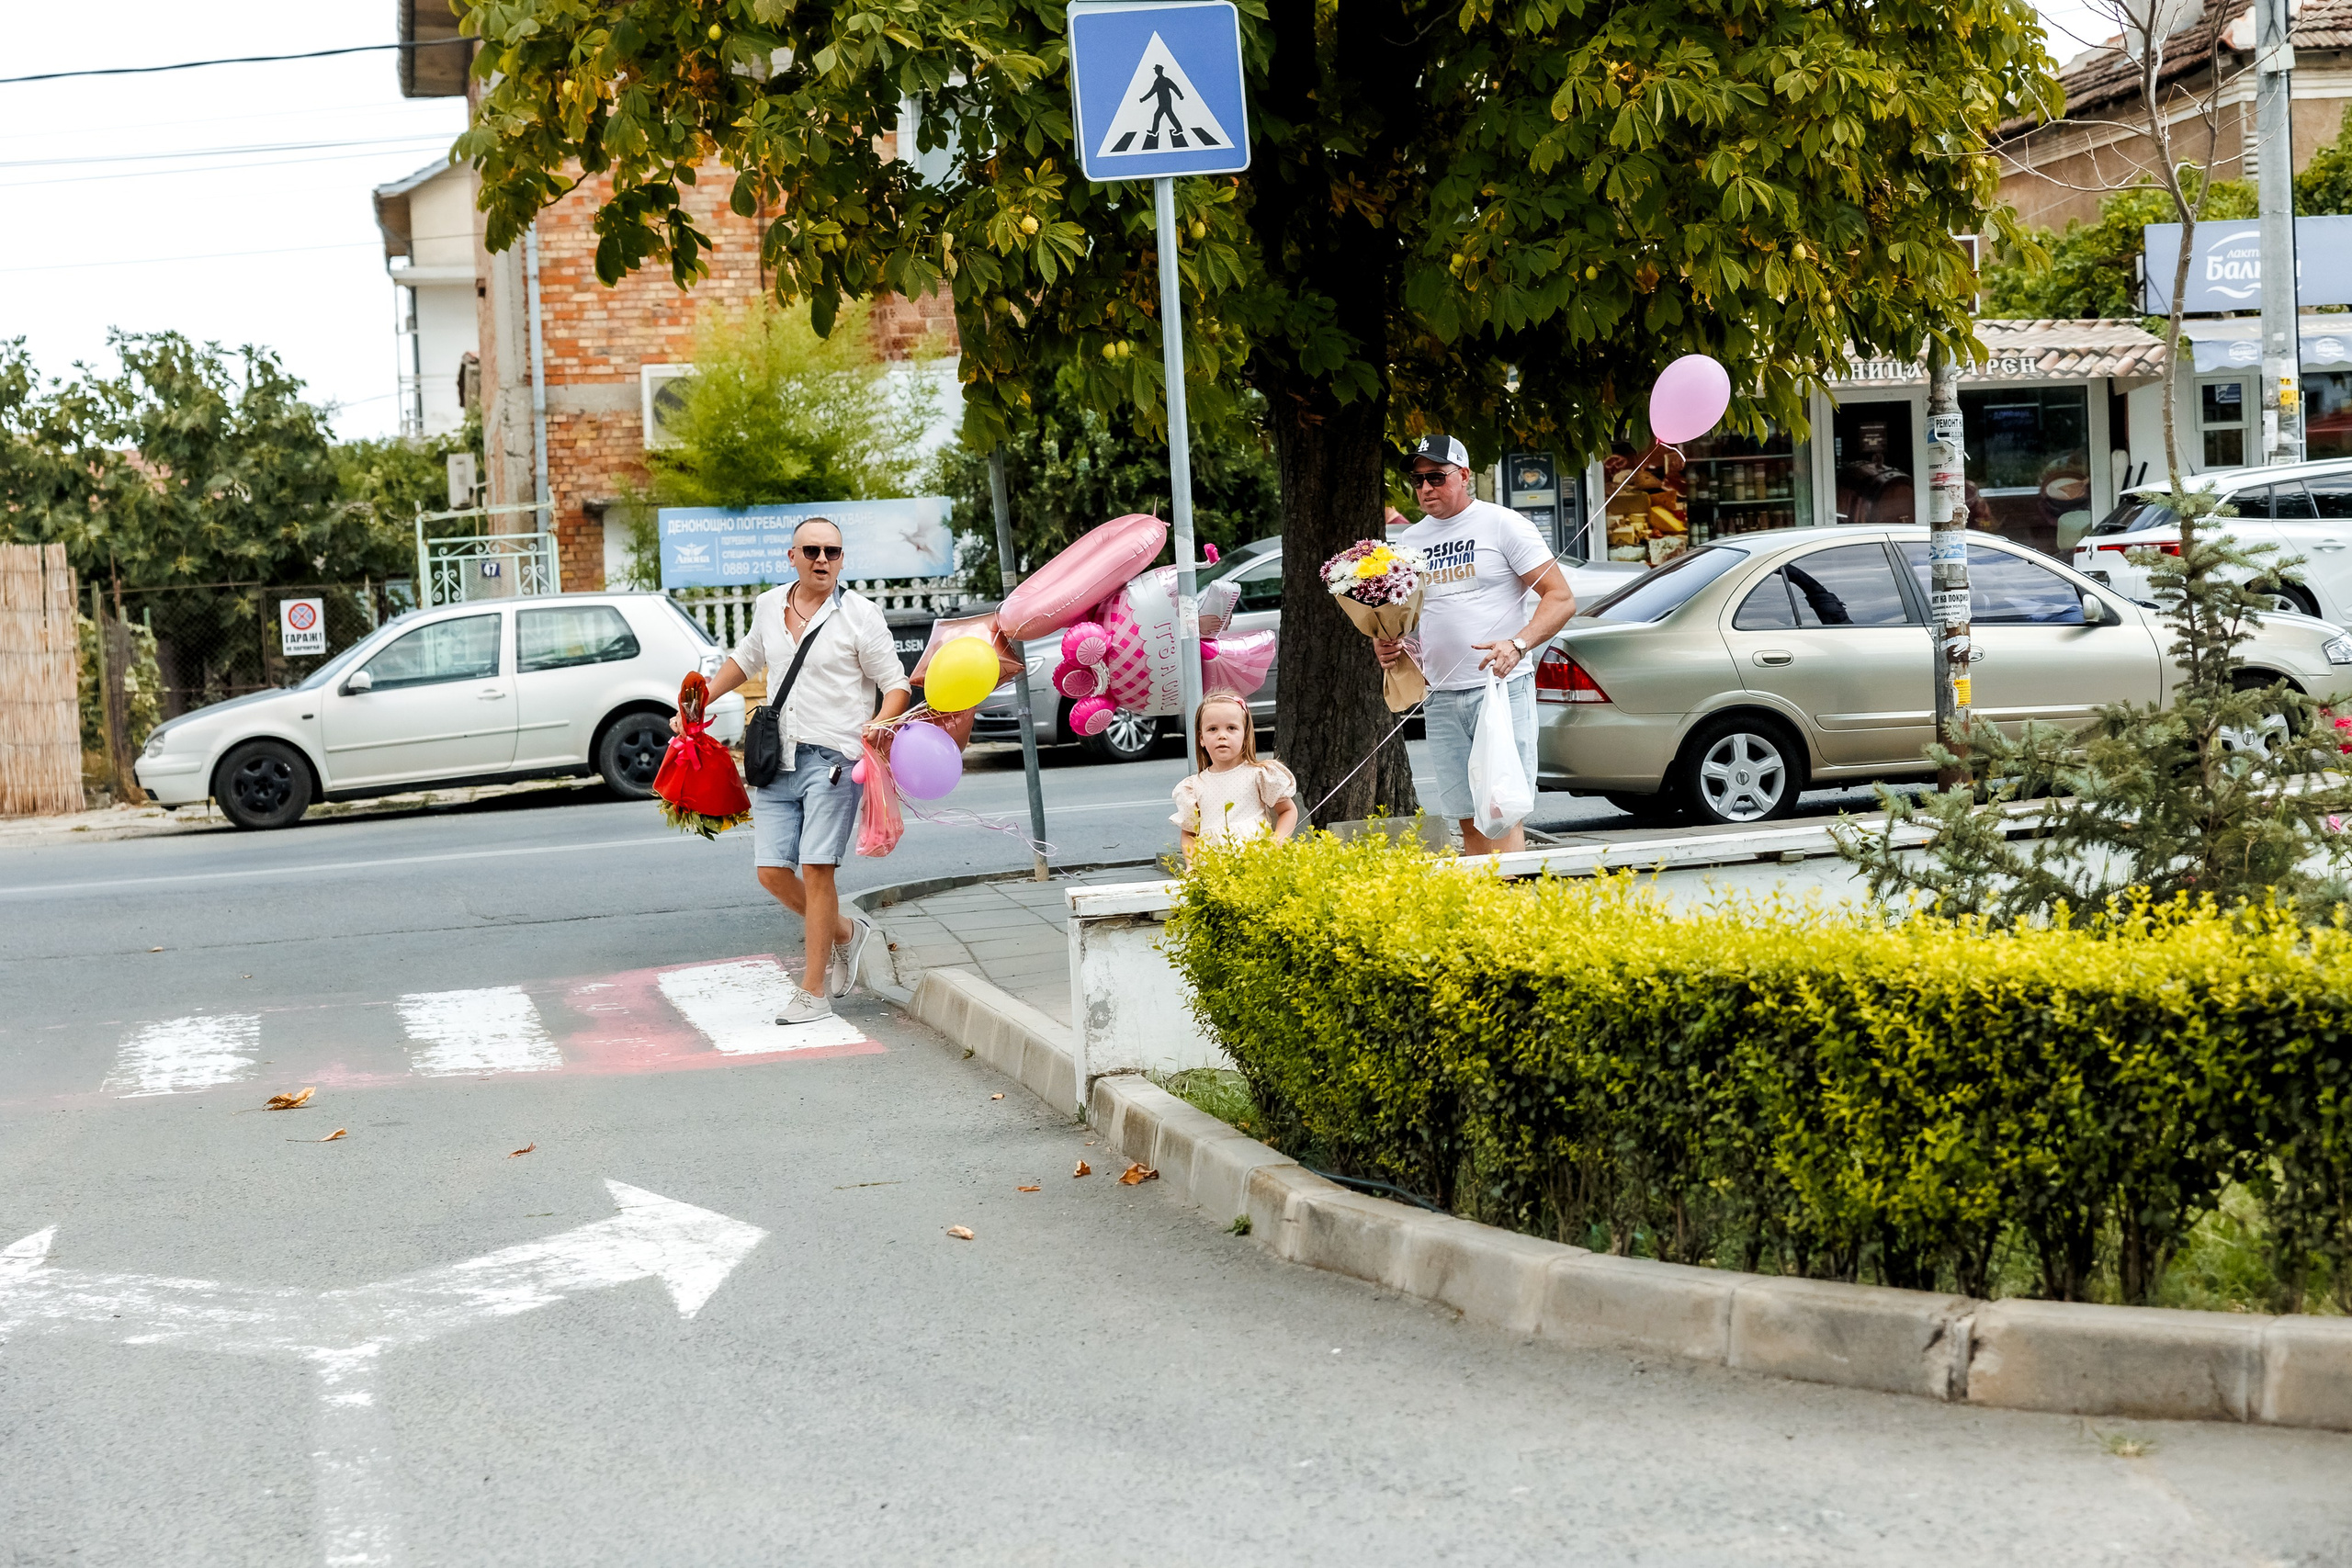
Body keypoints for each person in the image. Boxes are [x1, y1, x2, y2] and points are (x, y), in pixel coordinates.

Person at [688, 517, 911, 1024]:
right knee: (770, 871)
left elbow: (894, 682)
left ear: (841, 559)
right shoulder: (770, 605)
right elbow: (746, 659)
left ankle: (813, 994)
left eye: (832, 552)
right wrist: (701, 699)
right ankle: (846, 935)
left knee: (816, 869)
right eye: (811, 550)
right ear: (792, 556)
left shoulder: (860, 615)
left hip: (834, 758)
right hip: (775, 757)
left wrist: (878, 724)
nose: (822, 560)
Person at [1377, 434, 1577, 855]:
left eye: (1436, 476)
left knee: (1501, 809)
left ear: (1464, 475)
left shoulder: (1503, 524)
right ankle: (1482, 912)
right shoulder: (1408, 541)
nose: (1426, 488)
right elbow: (1409, 625)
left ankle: (1511, 912)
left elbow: (1561, 598)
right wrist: (1393, 648)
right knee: (1466, 816)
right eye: (1418, 480)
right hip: (1441, 696)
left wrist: (1518, 644)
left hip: (1499, 688)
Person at [1171, 692, 1298, 865]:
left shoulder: (1259, 774)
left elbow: (1287, 811)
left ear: (1245, 736)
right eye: (1212, 729)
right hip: (1213, 870)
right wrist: (1192, 866)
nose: (1222, 735)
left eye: (1231, 728)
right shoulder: (1193, 787)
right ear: (1201, 738)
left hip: (1256, 864)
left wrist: (1277, 843)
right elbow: (1189, 833)